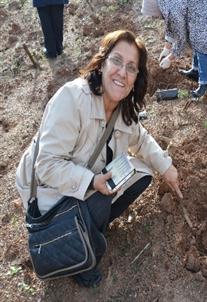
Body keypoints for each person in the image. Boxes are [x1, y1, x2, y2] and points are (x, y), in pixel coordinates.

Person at [16, 30, 183, 288]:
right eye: (116, 61)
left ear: (137, 77)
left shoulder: (122, 106)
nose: (122, 73)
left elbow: (140, 138)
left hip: (87, 178)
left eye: (131, 67)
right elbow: (47, 166)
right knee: (103, 197)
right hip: (46, 190)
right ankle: (79, 254)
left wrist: (167, 167)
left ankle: (90, 228)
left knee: (141, 172)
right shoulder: (72, 99)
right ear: (102, 62)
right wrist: (91, 181)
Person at [158, 0, 207, 98]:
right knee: (195, 37)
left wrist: (170, 58)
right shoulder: (166, 4)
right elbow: (170, 26)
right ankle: (196, 70)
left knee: (202, 44)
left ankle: (204, 84)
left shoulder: (173, 8)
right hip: (199, 9)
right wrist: (166, 47)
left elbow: (181, 38)